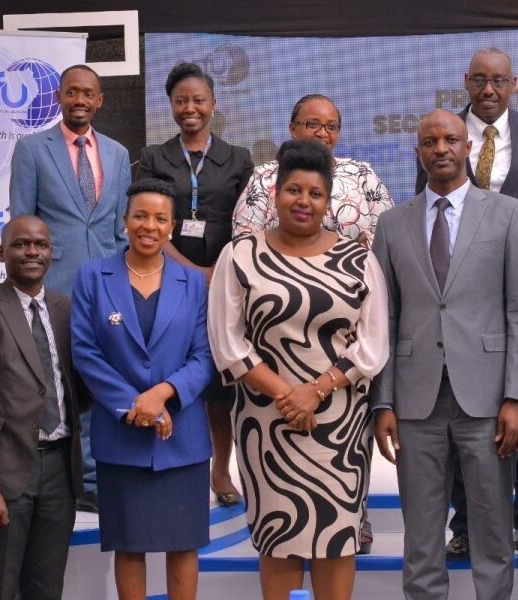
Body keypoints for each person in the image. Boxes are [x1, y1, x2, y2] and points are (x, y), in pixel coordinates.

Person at [208, 139, 389, 600]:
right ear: (276, 194)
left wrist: (317, 390)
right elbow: (227, 341)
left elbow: (373, 345)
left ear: (328, 201)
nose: (303, 201)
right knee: (278, 540)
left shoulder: (358, 259)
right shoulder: (240, 254)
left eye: (314, 193)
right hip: (266, 424)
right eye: (293, 190)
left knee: (337, 539)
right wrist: (287, 394)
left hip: (340, 427)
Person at [373, 109, 518, 599]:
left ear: (468, 147)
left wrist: (516, 397)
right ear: (418, 151)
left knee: (491, 531)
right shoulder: (392, 223)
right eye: (429, 141)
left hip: (488, 400)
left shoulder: (507, 214)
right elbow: (385, 318)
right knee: (421, 537)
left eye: (450, 140)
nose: (440, 148)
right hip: (415, 398)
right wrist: (383, 402)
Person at [415, 48, 518, 560]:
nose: (489, 90)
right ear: (466, 82)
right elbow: (426, 213)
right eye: (479, 80)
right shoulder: (442, 133)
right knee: (461, 399)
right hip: (462, 289)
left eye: (499, 80)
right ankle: (465, 526)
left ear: (514, 83)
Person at [71, 178, 216, 600]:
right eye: (140, 216)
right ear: (124, 220)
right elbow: (85, 353)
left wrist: (163, 394)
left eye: (159, 218)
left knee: (183, 543)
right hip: (122, 435)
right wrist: (135, 404)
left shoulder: (193, 284)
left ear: (171, 227)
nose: (148, 226)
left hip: (182, 438)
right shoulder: (93, 277)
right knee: (128, 544)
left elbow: (205, 356)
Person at [0, 215, 89, 600]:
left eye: (40, 245)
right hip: (4, 474)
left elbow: (79, 387)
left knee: (46, 588)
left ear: (51, 253)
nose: (32, 252)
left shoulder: (67, 309)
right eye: (21, 244)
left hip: (60, 469)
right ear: (0, 252)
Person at [9, 63, 130, 512]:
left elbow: (121, 227)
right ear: (58, 97)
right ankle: (64, 475)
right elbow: (22, 222)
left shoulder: (118, 154)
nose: (80, 101)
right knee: (55, 379)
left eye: (89, 94)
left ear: (99, 101)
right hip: (51, 287)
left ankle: (95, 477)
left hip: (107, 285)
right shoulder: (31, 149)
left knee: (101, 377)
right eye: (72, 93)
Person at [134, 62, 254, 508]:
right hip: (167, 279)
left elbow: (249, 225)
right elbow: (147, 221)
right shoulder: (154, 157)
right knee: (174, 377)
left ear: (213, 105)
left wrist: (219, 273)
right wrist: (190, 271)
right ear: (171, 106)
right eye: (181, 101)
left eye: (198, 100)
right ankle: (176, 467)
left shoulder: (238, 157)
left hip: (226, 286)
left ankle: (221, 471)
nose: (190, 108)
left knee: (220, 390)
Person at [232, 93, 392, 249]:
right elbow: (244, 241)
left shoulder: (362, 174)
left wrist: (354, 252)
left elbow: (388, 235)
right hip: (280, 272)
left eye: (331, 127)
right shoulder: (264, 176)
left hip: (352, 271)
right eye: (313, 124)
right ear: (293, 129)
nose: (322, 133)